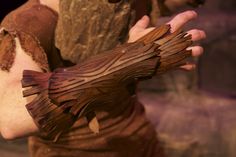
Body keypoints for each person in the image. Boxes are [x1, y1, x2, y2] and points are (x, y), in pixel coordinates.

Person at [0, 0, 205, 156]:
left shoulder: (127, 4)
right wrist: (126, 62)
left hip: (140, 140)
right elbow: (10, 120)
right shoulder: (31, 21)